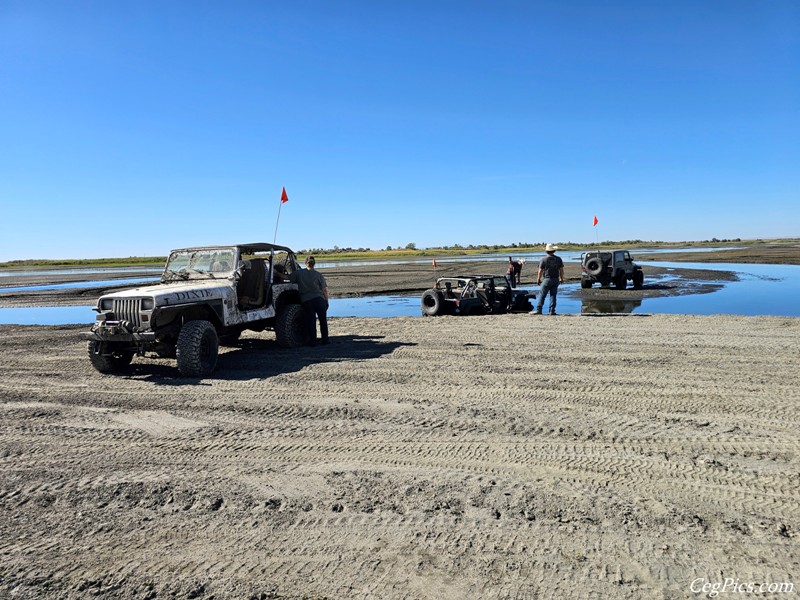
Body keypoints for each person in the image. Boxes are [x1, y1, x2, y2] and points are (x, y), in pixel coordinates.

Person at [289, 256, 329, 345]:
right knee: (323, 321)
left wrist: (277, 273)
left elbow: (288, 278)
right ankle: (325, 340)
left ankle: (312, 341)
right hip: (319, 300)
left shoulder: (299, 273)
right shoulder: (318, 275)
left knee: (311, 321)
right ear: (314, 264)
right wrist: (326, 301)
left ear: (305, 263)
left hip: (307, 301)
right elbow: (324, 290)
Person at [532, 244, 564, 315]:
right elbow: (561, 270)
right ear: (554, 251)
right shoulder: (558, 259)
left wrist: (538, 279)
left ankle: (539, 310)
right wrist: (561, 278)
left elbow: (540, 271)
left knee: (542, 295)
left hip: (547, 279)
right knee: (553, 295)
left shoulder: (544, 259)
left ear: (547, 251)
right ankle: (552, 311)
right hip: (556, 279)